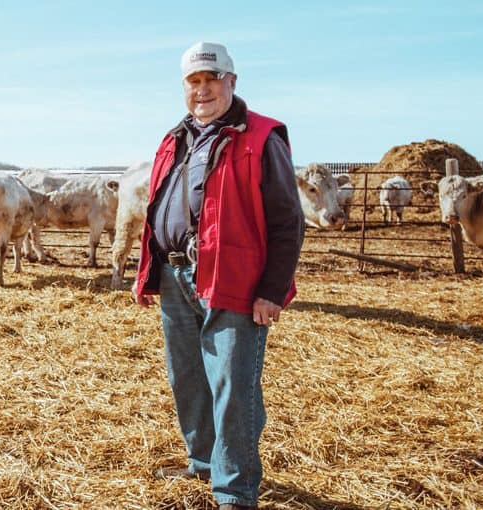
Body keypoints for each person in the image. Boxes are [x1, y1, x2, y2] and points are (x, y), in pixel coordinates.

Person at [133, 41, 304, 510]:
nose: (203, 90)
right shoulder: (174, 140)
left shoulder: (261, 137)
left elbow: (288, 221)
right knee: (187, 378)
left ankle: (234, 492)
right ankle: (204, 464)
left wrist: (272, 290)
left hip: (234, 279)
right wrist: (146, 270)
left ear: (232, 81)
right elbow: (159, 210)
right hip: (175, 277)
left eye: (211, 80)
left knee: (232, 385)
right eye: (194, 82)